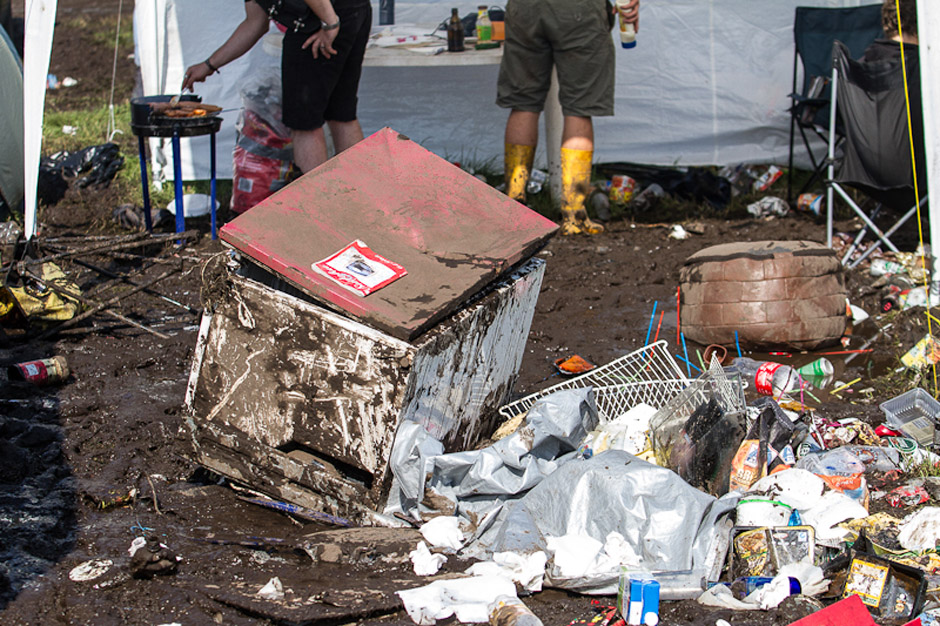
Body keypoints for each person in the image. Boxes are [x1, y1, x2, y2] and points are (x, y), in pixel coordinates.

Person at [497, 0, 639, 235]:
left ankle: (514, 206)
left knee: (523, 104)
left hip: (526, 8)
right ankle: (574, 215)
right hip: (578, 11)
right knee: (579, 108)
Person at [181, 0, 372, 174]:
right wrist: (209, 65)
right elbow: (255, 23)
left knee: (304, 125)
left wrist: (330, 22)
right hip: (351, 10)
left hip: (317, 22)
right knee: (341, 114)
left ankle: (319, 206)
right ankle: (361, 202)